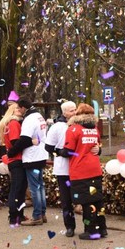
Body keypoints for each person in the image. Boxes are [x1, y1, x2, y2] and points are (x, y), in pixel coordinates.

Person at [60, 103, 105, 240]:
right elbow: (96, 146)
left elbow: (68, 151)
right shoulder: (94, 129)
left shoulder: (73, 129)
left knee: (86, 202)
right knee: (97, 200)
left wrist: (59, 151)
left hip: (80, 170)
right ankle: (102, 229)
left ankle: (90, 230)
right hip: (95, 169)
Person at [9, 98, 48, 226]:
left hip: (32, 157)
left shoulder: (29, 119)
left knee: (34, 188)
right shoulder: (39, 116)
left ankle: (37, 215)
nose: (18, 110)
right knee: (40, 186)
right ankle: (42, 212)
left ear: (23, 108)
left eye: (19, 108)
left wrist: (11, 152)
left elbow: (24, 139)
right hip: (41, 154)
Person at [44, 101, 77, 237]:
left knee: (84, 198)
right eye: (71, 111)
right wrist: (61, 152)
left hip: (79, 167)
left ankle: (91, 226)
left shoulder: (79, 125)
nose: (74, 113)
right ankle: (70, 226)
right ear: (64, 113)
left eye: (75, 110)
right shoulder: (57, 127)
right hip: (63, 169)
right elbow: (48, 147)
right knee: (66, 200)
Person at [0, 103, 28, 225]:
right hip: (17, 160)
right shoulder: (14, 123)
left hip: (14, 160)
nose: (19, 110)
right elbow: (16, 142)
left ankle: (18, 215)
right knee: (17, 189)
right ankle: (14, 216)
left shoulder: (8, 124)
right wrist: (30, 142)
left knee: (19, 189)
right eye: (16, 108)